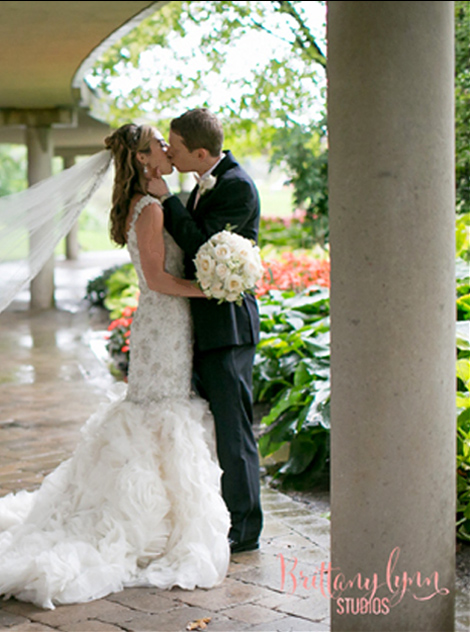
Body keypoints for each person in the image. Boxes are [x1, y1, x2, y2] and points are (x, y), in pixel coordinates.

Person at [0, 123, 231, 609]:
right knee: (156, 413)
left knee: (157, 414)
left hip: (169, 326)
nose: (167, 150)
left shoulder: (156, 199)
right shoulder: (149, 208)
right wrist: (211, 289)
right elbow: (157, 279)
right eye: (157, 147)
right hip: (163, 324)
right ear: (144, 161)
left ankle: (160, 520)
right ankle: (145, 523)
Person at [146, 108, 263, 554]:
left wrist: (169, 201)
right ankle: (218, 515)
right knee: (212, 430)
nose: (169, 153)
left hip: (228, 329)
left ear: (199, 151)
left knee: (234, 433)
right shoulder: (206, 180)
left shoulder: (236, 186)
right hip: (201, 327)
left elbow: (202, 249)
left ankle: (245, 529)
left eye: (174, 148)